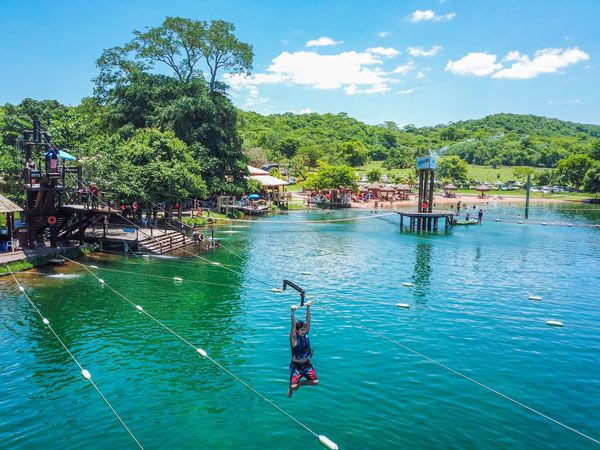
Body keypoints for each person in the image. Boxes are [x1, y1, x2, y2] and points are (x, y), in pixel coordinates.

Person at [288, 301, 318, 398]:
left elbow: (308, 321)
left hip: (306, 364)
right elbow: (293, 325)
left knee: (315, 382)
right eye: (301, 330)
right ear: (297, 330)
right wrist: (292, 312)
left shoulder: (306, 334)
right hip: (297, 366)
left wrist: (308, 307)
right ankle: (292, 387)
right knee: (293, 387)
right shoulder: (294, 339)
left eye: (304, 330)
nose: (303, 331)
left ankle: (300, 384)